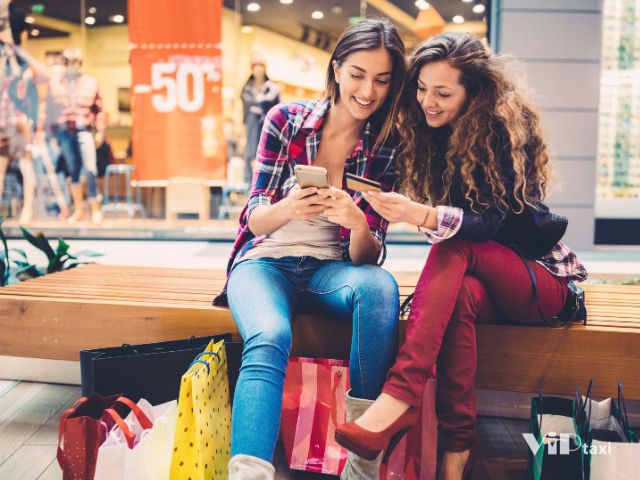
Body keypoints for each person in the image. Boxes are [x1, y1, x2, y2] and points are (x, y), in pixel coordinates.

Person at [335, 33, 588, 480]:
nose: (427, 101)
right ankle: (456, 456)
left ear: (473, 91)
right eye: (421, 88)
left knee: (456, 245)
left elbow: (489, 226)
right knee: (458, 301)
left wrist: (424, 214)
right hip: (486, 284)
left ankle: (399, 397)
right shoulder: (436, 135)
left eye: (442, 93)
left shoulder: (500, 130)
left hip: (541, 286)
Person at [214, 19, 407, 480]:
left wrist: (357, 221)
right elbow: (253, 219)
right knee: (270, 334)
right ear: (337, 69)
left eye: (382, 80)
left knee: (380, 287)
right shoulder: (285, 121)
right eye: (358, 74)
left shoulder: (388, 146)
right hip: (265, 264)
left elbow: (368, 257)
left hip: (330, 272)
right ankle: (249, 473)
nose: (368, 90)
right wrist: (290, 207)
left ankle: (362, 464)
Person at [45, 47, 105, 223]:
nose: (73, 66)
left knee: (90, 168)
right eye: (69, 63)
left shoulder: (90, 82)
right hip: (64, 131)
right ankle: (78, 209)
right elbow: (49, 110)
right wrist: (51, 134)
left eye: (76, 63)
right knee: (74, 171)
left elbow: (99, 109)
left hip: (84, 130)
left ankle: (95, 208)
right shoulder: (56, 84)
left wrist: (100, 130)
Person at [241, 58, 280, 183]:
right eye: (255, 67)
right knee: (252, 153)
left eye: (260, 66)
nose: (258, 70)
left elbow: (277, 107)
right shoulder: (247, 89)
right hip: (252, 126)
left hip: (268, 125)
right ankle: (252, 183)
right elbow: (247, 111)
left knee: (268, 152)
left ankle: (266, 182)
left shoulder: (272, 87)